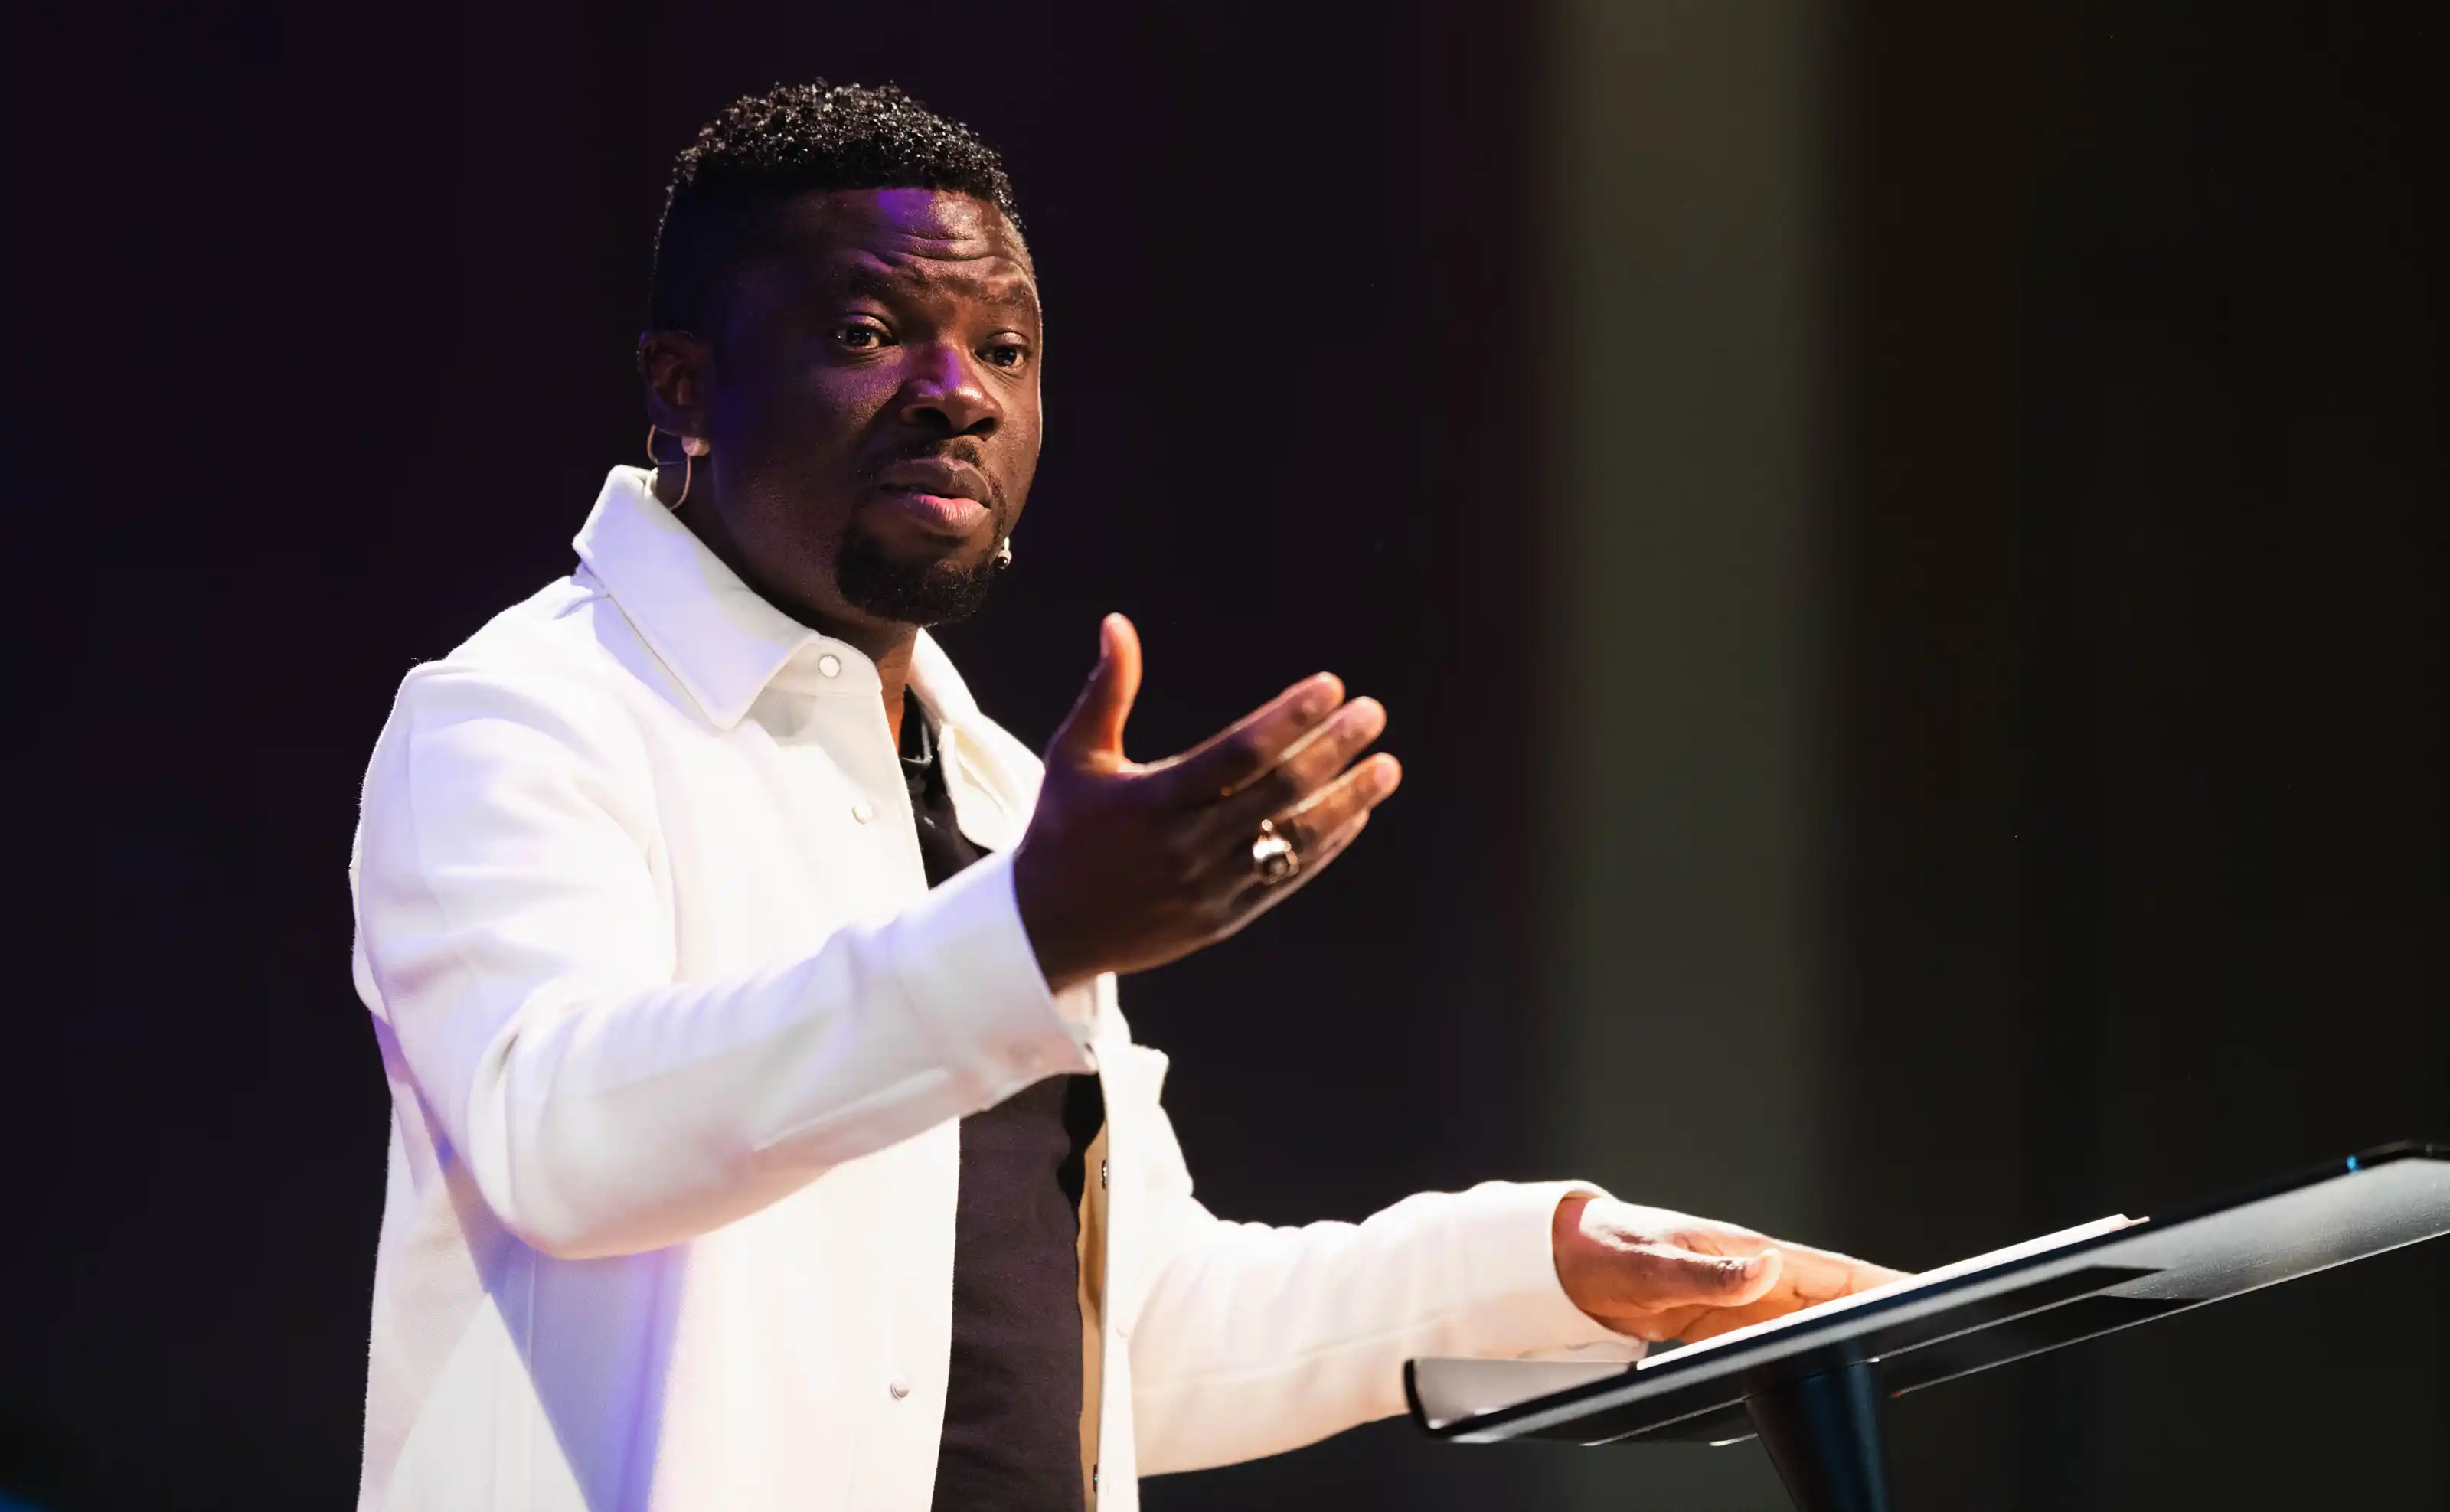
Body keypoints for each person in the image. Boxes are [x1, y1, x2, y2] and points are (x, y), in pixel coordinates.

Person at [348, 80, 1897, 1512]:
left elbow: (1137, 1341)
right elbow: (562, 1138)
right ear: (684, 386)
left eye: (1005, 349)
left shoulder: (1003, 795)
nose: (957, 392)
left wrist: (1549, 1267)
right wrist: (1021, 940)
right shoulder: (523, 719)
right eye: (870, 329)